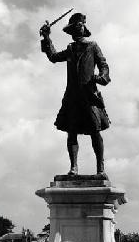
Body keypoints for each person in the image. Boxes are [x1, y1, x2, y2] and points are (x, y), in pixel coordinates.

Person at [40, 13, 111, 177]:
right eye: (75, 26)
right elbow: (53, 57)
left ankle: (100, 169)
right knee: (71, 132)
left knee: (95, 130)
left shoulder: (93, 46)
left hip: (89, 95)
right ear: (72, 31)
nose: (78, 27)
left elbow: (104, 65)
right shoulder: (71, 49)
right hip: (73, 96)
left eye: (80, 25)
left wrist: (102, 77)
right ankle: (74, 168)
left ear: (84, 28)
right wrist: (46, 37)